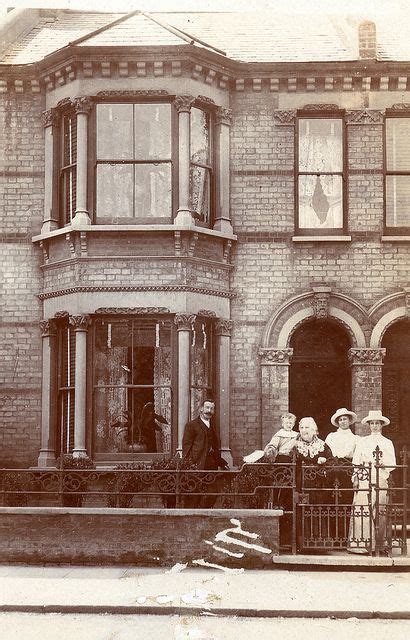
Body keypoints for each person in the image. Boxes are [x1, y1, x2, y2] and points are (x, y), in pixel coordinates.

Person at [348, 410, 396, 555]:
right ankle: (362, 544)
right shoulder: (363, 441)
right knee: (362, 509)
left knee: (380, 510)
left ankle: (380, 544)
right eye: (372, 423)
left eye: (377, 423)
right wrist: (356, 478)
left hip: (380, 477)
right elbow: (356, 461)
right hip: (364, 477)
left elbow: (392, 463)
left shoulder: (387, 442)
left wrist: (382, 463)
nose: (374, 426)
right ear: (369, 425)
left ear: (381, 425)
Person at [294, 417, 333, 551]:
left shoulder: (322, 445)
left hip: (318, 484)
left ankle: (320, 545)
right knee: (302, 511)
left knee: (318, 510)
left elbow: (332, 461)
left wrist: (325, 460)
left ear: (314, 430)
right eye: (302, 428)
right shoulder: (294, 445)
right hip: (301, 484)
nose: (304, 430)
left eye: (307, 427)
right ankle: (302, 545)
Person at [182, 399, 228, 507]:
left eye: (212, 408)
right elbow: (186, 447)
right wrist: (189, 465)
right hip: (196, 465)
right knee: (193, 495)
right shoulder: (191, 425)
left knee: (212, 493)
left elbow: (215, 448)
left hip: (210, 465)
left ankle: (202, 513)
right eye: (207, 408)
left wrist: (222, 463)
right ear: (201, 409)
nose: (209, 411)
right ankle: (192, 517)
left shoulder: (213, 427)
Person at [325, 408, 360, 543]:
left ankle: (345, 537)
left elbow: (357, 456)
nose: (343, 421)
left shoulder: (356, 438)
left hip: (347, 469)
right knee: (331, 501)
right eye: (340, 419)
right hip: (333, 468)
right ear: (337, 422)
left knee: (346, 499)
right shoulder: (331, 436)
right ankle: (332, 537)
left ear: (349, 421)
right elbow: (327, 452)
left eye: (345, 419)